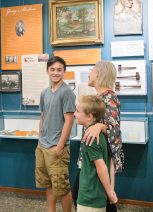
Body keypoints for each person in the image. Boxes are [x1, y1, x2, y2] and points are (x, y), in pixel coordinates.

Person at [72, 61, 124, 212]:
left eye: (92, 70)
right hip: (93, 157)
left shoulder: (109, 97)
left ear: (99, 74)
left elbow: (115, 133)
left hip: (100, 159)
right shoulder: (100, 96)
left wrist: (101, 126)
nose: (89, 74)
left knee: (103, 200)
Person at [35, 56, 76, 212]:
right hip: (43, 146)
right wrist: (39, 143)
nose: (55, 73)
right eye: (52, 69)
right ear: (47, 71)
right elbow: (43, 118)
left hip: (57, 147)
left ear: (64, 72)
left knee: (62, 187)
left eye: (59, 70)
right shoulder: (44, 93)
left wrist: (59, 146)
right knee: (48, 183)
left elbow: (69, 121)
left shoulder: (66, 93)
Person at [74, 95, 117, 212]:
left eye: (78, 111)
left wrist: (110, 193)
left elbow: (102, 167)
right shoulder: (98, 134)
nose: (75, 113)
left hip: (90, 198)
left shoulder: (90, 136)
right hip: (96, 196)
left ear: (90, 116)